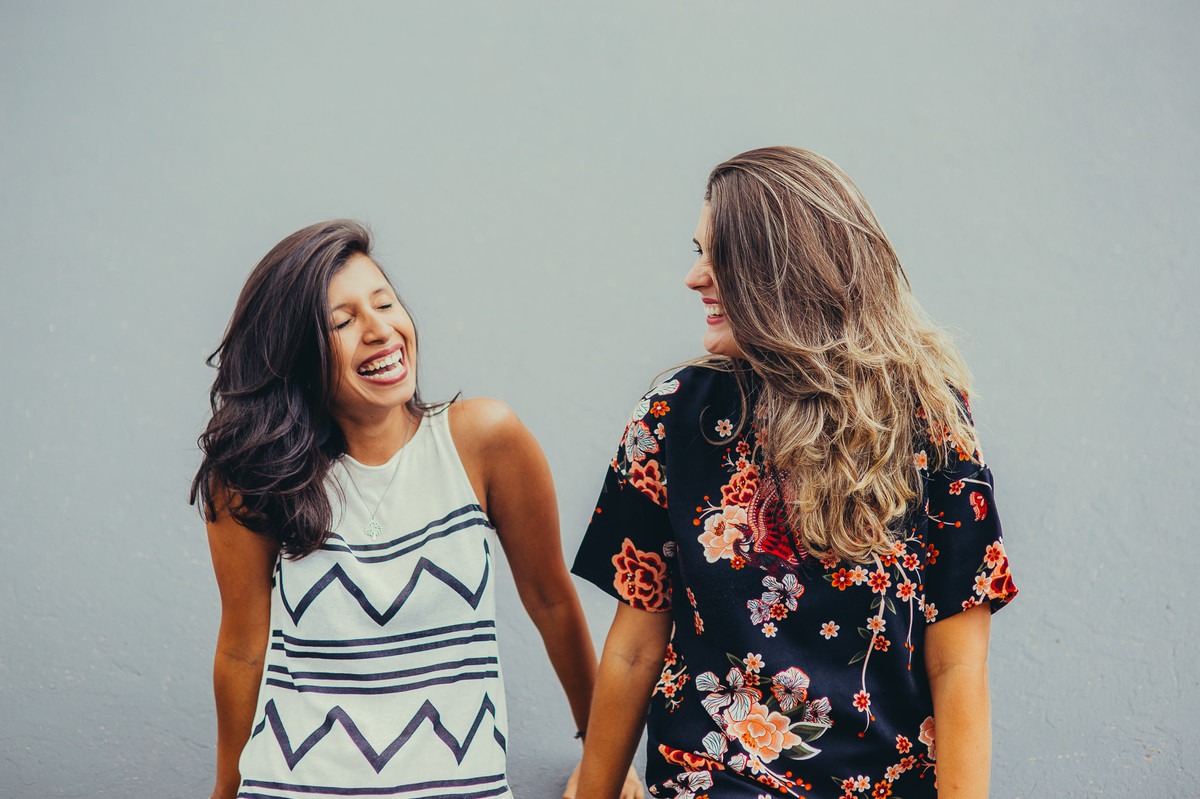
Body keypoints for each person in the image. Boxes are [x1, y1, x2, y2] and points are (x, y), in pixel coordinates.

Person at [571, 148, 1017, 799]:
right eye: (696, 251)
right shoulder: (674, 417)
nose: (694, 277)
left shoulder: (929, 422)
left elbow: (958, 664)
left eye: (717, 256)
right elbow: (634, 649)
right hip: (718, 781)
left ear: (782, 273)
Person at [191, 220, 642, 799]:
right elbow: (241, 650)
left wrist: (603, 758)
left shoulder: (483, 440)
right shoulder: (254, 480)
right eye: (343, 322)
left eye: (385, 303)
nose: (381, 330)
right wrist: (227, 789)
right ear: (295, 353)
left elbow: (552, 599)